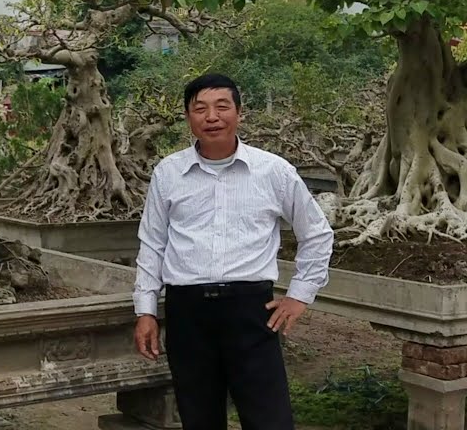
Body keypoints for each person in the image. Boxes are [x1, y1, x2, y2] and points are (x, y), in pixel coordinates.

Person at [132, 73, 334, 430]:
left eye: (222, 106)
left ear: (239, 113)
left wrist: (300, 296)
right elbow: (153, 244)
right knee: (199, 418)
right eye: (201, 109)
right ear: (188, 117)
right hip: (187, 313)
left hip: (251, 312)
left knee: (268, 419)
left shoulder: (273, 171)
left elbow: (316, 233)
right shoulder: (169, 173)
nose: (212, 117)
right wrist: (146, 310)